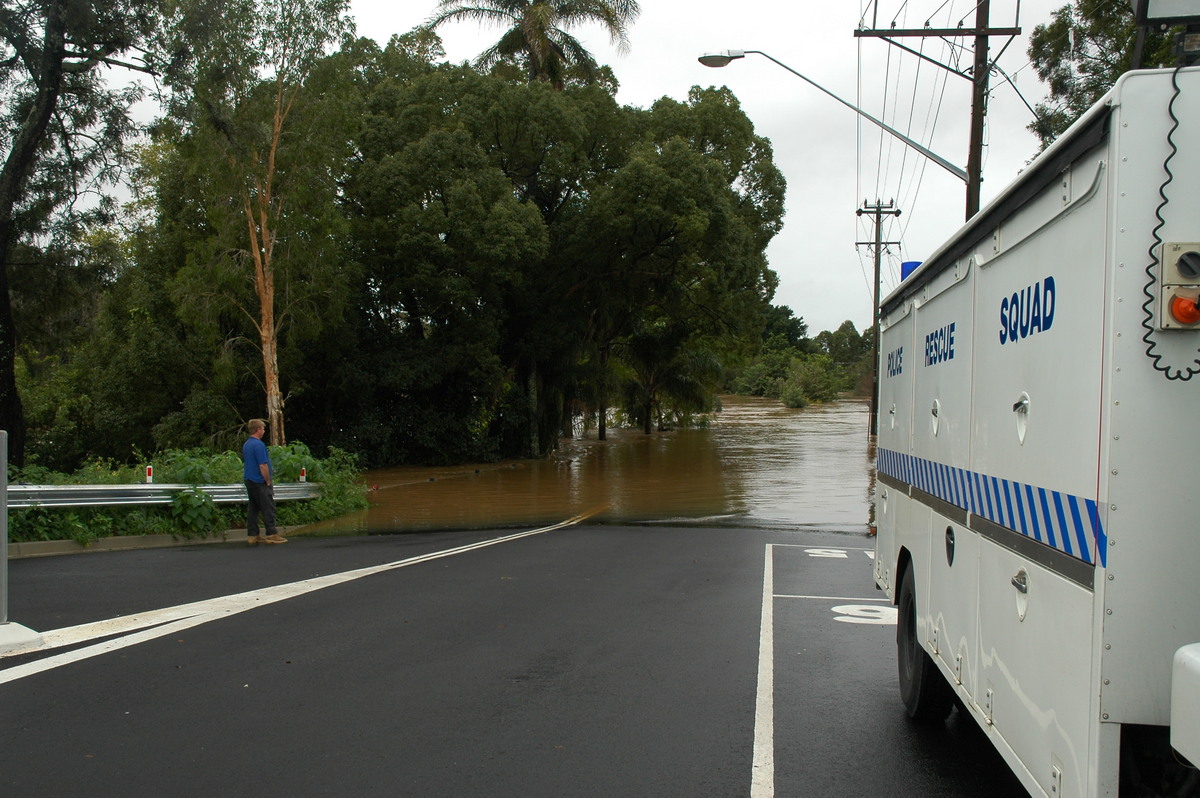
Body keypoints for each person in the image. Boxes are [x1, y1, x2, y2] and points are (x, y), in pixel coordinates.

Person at [243, 418, 287, 545]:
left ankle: (253, 534)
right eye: (262, 429)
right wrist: (267, 480)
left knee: (253, 508)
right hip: (259, 480)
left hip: (249, 479)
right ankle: (271, 533)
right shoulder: (259, 445)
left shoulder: (247, 444)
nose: (263, 431)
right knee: (268, 507)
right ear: (257, 430)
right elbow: (262, 465)